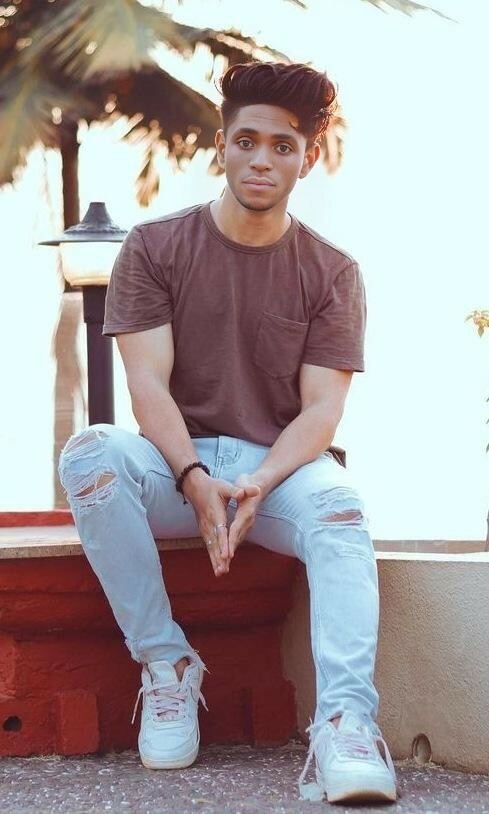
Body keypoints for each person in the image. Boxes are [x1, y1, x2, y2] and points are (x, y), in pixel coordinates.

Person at [58, 61, 397, 806]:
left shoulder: (332, 271)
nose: (262, 160)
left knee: (342, 509)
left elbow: (321, 411)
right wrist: (191, 477)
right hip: (173, 467)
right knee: (90, 455)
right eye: (247, 141)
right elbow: (147, 386)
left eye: (283, 146)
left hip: (277, 473)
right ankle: (167, 665)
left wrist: (260, 481)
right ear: (222, 146)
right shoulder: (154, 247)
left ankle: (345, 724)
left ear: (307, 158)